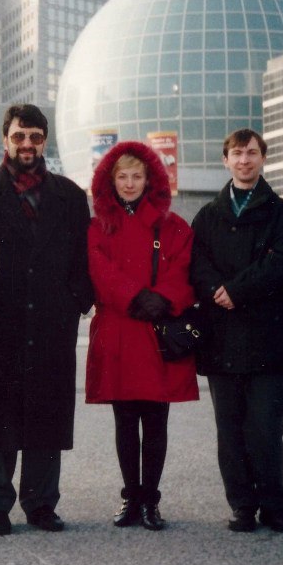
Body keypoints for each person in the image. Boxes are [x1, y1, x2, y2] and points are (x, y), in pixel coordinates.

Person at [0, 104, 94, 536]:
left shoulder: (70, 195)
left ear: (45, 141)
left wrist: (75, 302)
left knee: (47, 412)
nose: (27, 145)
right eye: (19, 136)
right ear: (5, 139)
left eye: (36, 137)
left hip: (51, 323)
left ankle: (41, 503)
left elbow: (83, 256)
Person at [190, 129, 283, 534]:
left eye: (251, 153)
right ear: (225, 160)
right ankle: (241, 505)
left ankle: (274, 505)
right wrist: (216, 291)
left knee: (266, 427)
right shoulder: (207, 216)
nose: (244, 160)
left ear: (263, 158)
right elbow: (196, 265)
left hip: (267, 338)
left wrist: (236, 291)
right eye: (237, 154)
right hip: (221, 338)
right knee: (230, 429)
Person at [86, 140, 198, 531]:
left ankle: (150, 499)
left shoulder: (173, 225)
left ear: (150, 180)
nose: (130, 184)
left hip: (154, 332)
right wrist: (136, 296)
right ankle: (131, 496)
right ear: (111, 181)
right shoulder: (99, 227)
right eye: (123, 177)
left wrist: (161, 299)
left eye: (137, 176)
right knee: (124, 419)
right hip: (120, 330)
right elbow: (99, 269)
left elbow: (184, 269)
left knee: (155, 419)